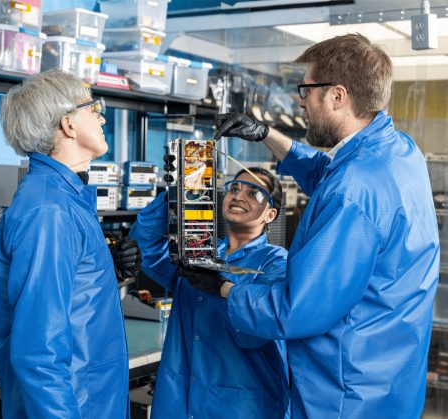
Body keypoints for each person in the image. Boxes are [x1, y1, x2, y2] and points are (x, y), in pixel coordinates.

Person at [184, 34, 440, 418]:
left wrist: (222, 288)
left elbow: (295, 310)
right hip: (391, 377)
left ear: (337, 96)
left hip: (345, 391)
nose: (300, 101)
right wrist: (265, 134)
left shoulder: (354, 190)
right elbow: (328, 173)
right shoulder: (398, 151)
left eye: (306, 90)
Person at [0, 69, 140, 419]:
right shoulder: (49, 211)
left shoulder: (66, 199)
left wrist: (106, 272)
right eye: (94, 108)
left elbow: (70, 302)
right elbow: (37, 353)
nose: (102, 117)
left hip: (92, 399)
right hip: (73, 406)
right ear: (68, 124)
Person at [129, 167, 290, 419]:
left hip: (239, 407)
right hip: (178, 401)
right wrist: (175, 195)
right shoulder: (200, 250)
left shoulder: (276, 264)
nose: (238, 196)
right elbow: (145, 247)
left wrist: (218, 288)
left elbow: (257, 331)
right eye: (234, 189)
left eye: (253, 193)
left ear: (270, 214)